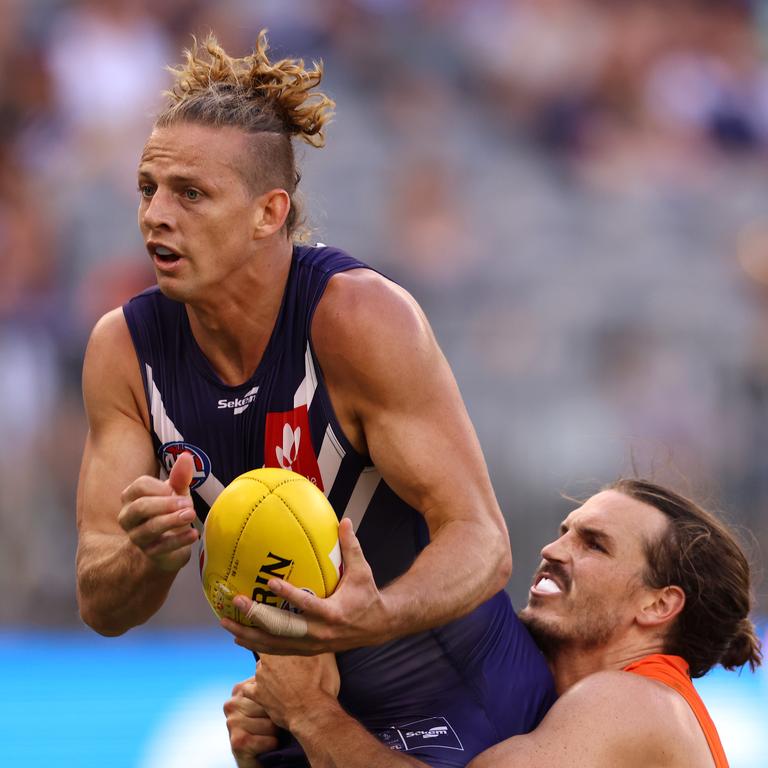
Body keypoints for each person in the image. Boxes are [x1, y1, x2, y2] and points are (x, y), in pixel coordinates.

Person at [74, 32, 555, 767]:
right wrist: (150, 555)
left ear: (269, 212)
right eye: (148, 189)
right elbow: (100, 604)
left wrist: (374, 615)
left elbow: (482, 543)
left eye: (190, 194)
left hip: (470, 705)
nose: (155, 215)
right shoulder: (123, 348)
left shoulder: (357, 319)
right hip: (302, 719)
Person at [226, 479, 763, 768]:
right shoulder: (565, 709)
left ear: (656, 606)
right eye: (565, 531)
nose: (553, 550)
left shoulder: (634, 702)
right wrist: (272, 749)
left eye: (593, 544)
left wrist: (310, 713)